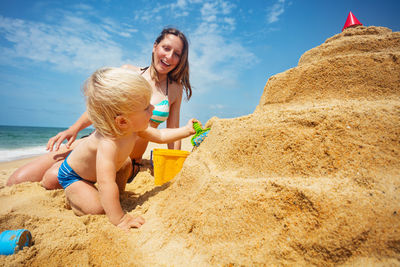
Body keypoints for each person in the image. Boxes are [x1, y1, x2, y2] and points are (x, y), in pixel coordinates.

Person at [7, 27, 192, 189]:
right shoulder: (128, 72)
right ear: (155, 46)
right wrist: (73, 129)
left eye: (176, 53)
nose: (169, 56)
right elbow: (103, 107)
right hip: (97, 141)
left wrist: (175, 164)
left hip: (125, 161)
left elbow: (172, 130)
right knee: (17, 179)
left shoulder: (175, 90)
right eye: (166, 48)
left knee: (54, 177)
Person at [58, 67, 195, 230]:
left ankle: (114, 198)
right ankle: (74, 197)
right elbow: (105, 183)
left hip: (105, 169)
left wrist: (186, 131)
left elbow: (160, 136)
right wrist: (120, 220)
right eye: (146, 107)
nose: (153, 108)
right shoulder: (108, 143)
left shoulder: (135, 127)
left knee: (127, 164)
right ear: (122, 122)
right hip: (75, 176)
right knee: (99, 209)